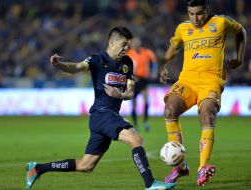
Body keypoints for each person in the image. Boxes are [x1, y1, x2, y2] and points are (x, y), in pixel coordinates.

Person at [26, 26, 175, 190]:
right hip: (101, 113)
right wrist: (58, 64)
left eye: (129, 45)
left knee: (85, 165)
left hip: (104, 118)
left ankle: (37, 168)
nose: (127, 49)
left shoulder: (127, 63)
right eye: (124, 44)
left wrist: (120, 95)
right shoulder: (97, 59)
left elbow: (131, 92)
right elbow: (76, 68)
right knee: (136, 139)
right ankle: (150, 183)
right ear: (112, 42)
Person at [158, 0, 246, 187]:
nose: (195, 18)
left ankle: (203, 166)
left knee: (206, 113)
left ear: (206, 10)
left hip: (210, 80)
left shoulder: (220, 23)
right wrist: (162, 65)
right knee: (169, 110)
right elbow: (174, 47)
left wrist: (239, 58)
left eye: (198, 13)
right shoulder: (183, 28)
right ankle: (180, 167)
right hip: (187, 81)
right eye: (191, 13)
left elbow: (241, 32)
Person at [126, 37, 158, 132]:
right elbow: (125, 67)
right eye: (134, 43)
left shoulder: (147, 52)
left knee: (146, 99)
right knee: (134, 102)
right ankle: (136, 124)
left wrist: (154, 72)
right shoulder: (129, 54)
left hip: (144, 79)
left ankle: (145, 122)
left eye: (137, 43)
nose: (136, 44)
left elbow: (154, 62)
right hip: (134, 79)